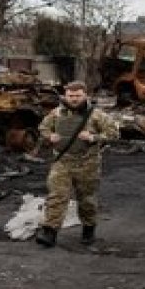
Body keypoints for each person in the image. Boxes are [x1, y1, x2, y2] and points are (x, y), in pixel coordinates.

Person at [35, 81, 119, 247]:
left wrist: (94, 137)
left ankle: (88, 229)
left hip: (87, 163)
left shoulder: (97, 115)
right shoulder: (57, 113)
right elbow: (43, 127)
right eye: (71, 96)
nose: (74, 99)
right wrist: (49, 136)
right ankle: (49, 232)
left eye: (77, 96)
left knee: (86, 200)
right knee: (56, 197)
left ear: (85, 96)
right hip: (62, 162)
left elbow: (114, 133)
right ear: (65, 96)